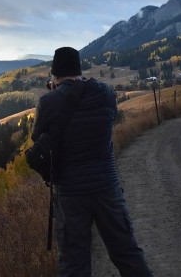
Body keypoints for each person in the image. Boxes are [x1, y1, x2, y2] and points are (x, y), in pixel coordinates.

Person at [31, 47, 153, 277]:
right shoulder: (106, 93)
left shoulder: (48, 102)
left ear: (55, 76)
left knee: (74, 262)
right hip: (107, 186)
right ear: (79, 70)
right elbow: (109, 118)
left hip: (70, 194)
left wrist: (56, 92)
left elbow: (38, 141)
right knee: (126, 252)